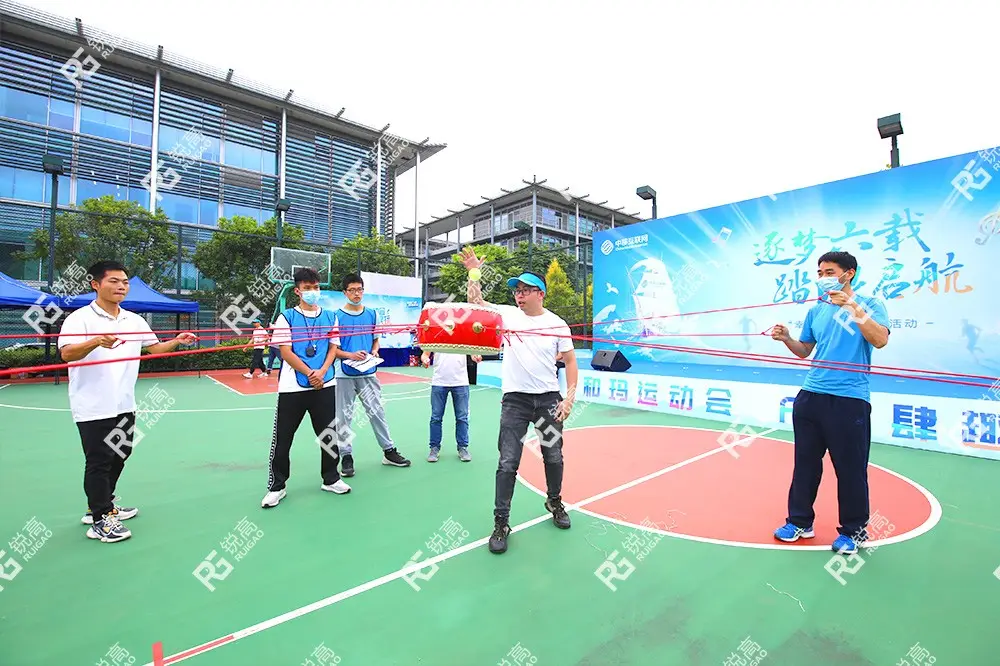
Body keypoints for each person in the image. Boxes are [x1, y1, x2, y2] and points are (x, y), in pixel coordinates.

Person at [58, 260, 196, 543]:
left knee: (120, 454)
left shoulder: (134, 320)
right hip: (93, 405)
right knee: (99, 461)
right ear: (95, 284)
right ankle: (100, 519)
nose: (121, 286)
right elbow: (67, 353)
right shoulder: (79, 319)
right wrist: (95, 341)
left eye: (124, 282)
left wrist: (177, 340)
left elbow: (154, 349)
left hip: (124, 403)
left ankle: (102, 504)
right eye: (114, 281)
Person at [770, 250, 890, 554]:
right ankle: (799, 522)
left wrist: (851, 306)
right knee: (805, 465)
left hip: (849, 399)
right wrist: (787, 338)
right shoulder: (817, 310)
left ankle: (854, 531)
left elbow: (880, 340)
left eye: (830, 272)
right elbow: (805, 350)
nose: (823, 278)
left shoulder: (871, 304)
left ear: (849, 274)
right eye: (820, 273)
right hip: (811, 396)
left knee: (850, 470)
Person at [462, 248, 578, 555]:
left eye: (526, 290)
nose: (519, 295)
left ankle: (554, 501)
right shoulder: (508, 315)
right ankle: (501, 522)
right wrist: (473, 272)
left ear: (541, 294)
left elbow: (570, 361)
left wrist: (568, 399)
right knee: (508, 462)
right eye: (517, 290)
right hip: (515, 402)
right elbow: (476, 303)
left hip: (548, 402)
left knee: (553, 456)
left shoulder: (558, 324)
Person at [261, 268, 349, 508]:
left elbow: (333, 348)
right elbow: (285, 352)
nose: (313, 292)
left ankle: (331, 478)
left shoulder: (330, 317)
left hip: (325, 383)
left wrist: (321, 372)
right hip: (293, 388)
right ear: (297, 291)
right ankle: (277, 486)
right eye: (308, 288)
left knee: (329, 434)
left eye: (316, 287)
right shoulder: (286, 317)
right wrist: (310, 373)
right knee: (283, 438)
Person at [331, 273, 411, 476]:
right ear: (344, 292)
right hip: (344, 373)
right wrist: (350, 355)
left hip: (368, 371)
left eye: (359, 289)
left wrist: (374, 351)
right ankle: (346, 456)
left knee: (377, 411)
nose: (356, 294)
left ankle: (389, 451)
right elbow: (333, 349)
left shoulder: (372, 314)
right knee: (343, 416)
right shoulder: (335, 316)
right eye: (352, 290)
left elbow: (375, 341)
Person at [421, 350, 482, 462]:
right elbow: (425, 353)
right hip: (439, 382)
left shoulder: (463, 338)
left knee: (462, 418)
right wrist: (425, 359)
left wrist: (476, 356)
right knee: (436, 418)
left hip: (460, 382)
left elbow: (472, 352)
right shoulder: (436, 338)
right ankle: (434, 448)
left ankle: (462, 447)